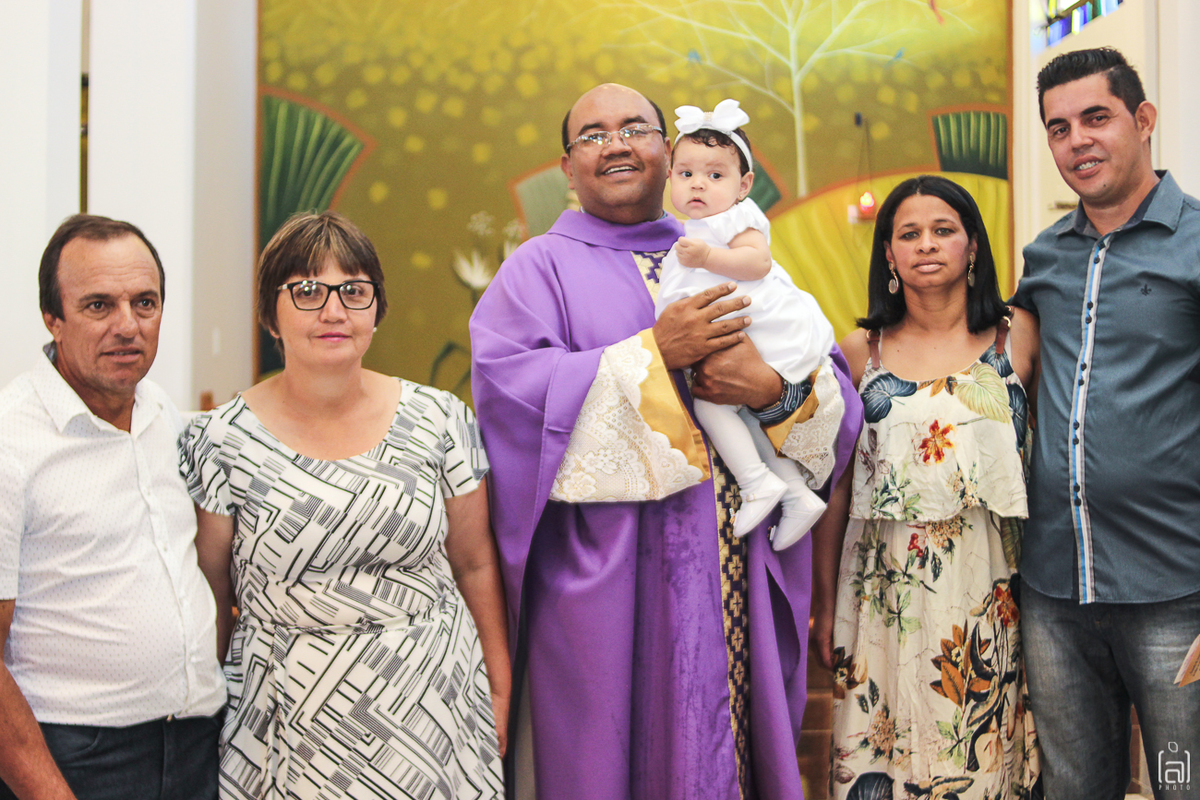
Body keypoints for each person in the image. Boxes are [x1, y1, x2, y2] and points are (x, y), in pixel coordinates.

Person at [469, 82, 861, 800]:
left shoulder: (730, 248)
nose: (615, 145)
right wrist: (655, 355)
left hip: (734, 570)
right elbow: (512, 404)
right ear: (567, 166)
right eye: (593, 135)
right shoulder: (537, 269)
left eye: (636, 128)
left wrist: (769, 391)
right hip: (606, 590)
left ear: (668, 151)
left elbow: (827, 382)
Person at [180, 211, 509, 799]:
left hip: (431, 702)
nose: (333, 311)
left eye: (354, 291)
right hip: (283, 710)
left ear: (376, 309)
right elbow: (211, 592)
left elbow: (475, 563)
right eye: (307, 291)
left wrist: (499, 688)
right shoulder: (219, 440)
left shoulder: (440, 420)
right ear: (270, 314)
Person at [812, 176, 1042, 799]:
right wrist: (825, 601)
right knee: (883, 757)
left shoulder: (1018, 337)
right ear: (888, 253)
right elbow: (835, 486)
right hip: (881, 594)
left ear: (973, 245)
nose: (927, 244)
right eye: (909, 234)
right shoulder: (859, 352)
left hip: (992, 595)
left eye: (943, 230)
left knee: (979, 760)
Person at [1010, 47, 1200, 800]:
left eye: (1096, 117)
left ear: (1143, 119)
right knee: (1075, 789)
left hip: (1175, 590)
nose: (1077, 141)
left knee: (1184, 782)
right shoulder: (1043, 259)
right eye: (1058, 128)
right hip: (1055, 590)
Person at [0, 214, 226, 800]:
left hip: (196, 745)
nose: (127, 326)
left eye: (144, 303)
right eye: (99, 305)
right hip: (75, 759)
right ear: (52, 318)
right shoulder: (10, 442)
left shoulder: (160, 413)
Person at [655, 98, 835, 551]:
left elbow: (757, 262)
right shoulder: (695, 228)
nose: (699, 184)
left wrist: (707, 257)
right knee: (747, 416)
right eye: (686, 173)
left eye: (716, 175)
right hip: (743, 333)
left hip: (765, 331)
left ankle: (757, 483)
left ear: (744, 185)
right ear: (670, 176)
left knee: (713, 407)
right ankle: (795, 494)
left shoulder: (736, 217)